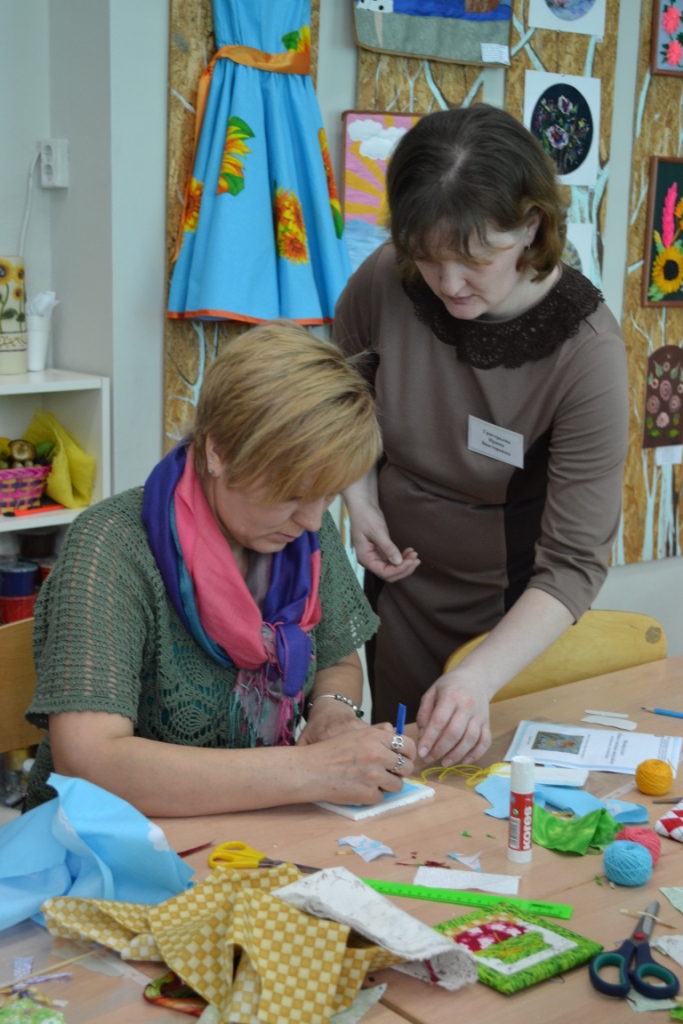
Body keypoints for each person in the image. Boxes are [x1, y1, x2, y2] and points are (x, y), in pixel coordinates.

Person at [334, 104, 629, 770]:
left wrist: (478, 676)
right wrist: (360, 501)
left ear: (530, 226)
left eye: (472, 259)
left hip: (511, 623)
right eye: (427, 257)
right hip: (400, 600)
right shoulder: (387, 277)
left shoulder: (588, 356)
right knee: (402, 791)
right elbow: (340, 395)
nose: (448, 284)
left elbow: (573, 565)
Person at [24, 322, 415, 816]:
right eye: (292, 494)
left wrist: (332, 714)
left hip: (248, 825)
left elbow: (337, 660)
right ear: (218, 453)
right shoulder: (112, 546)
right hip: (108, 838)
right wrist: (312, 769)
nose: (314, 520)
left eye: (329, 495)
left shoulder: (302, 537)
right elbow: (91, 761)